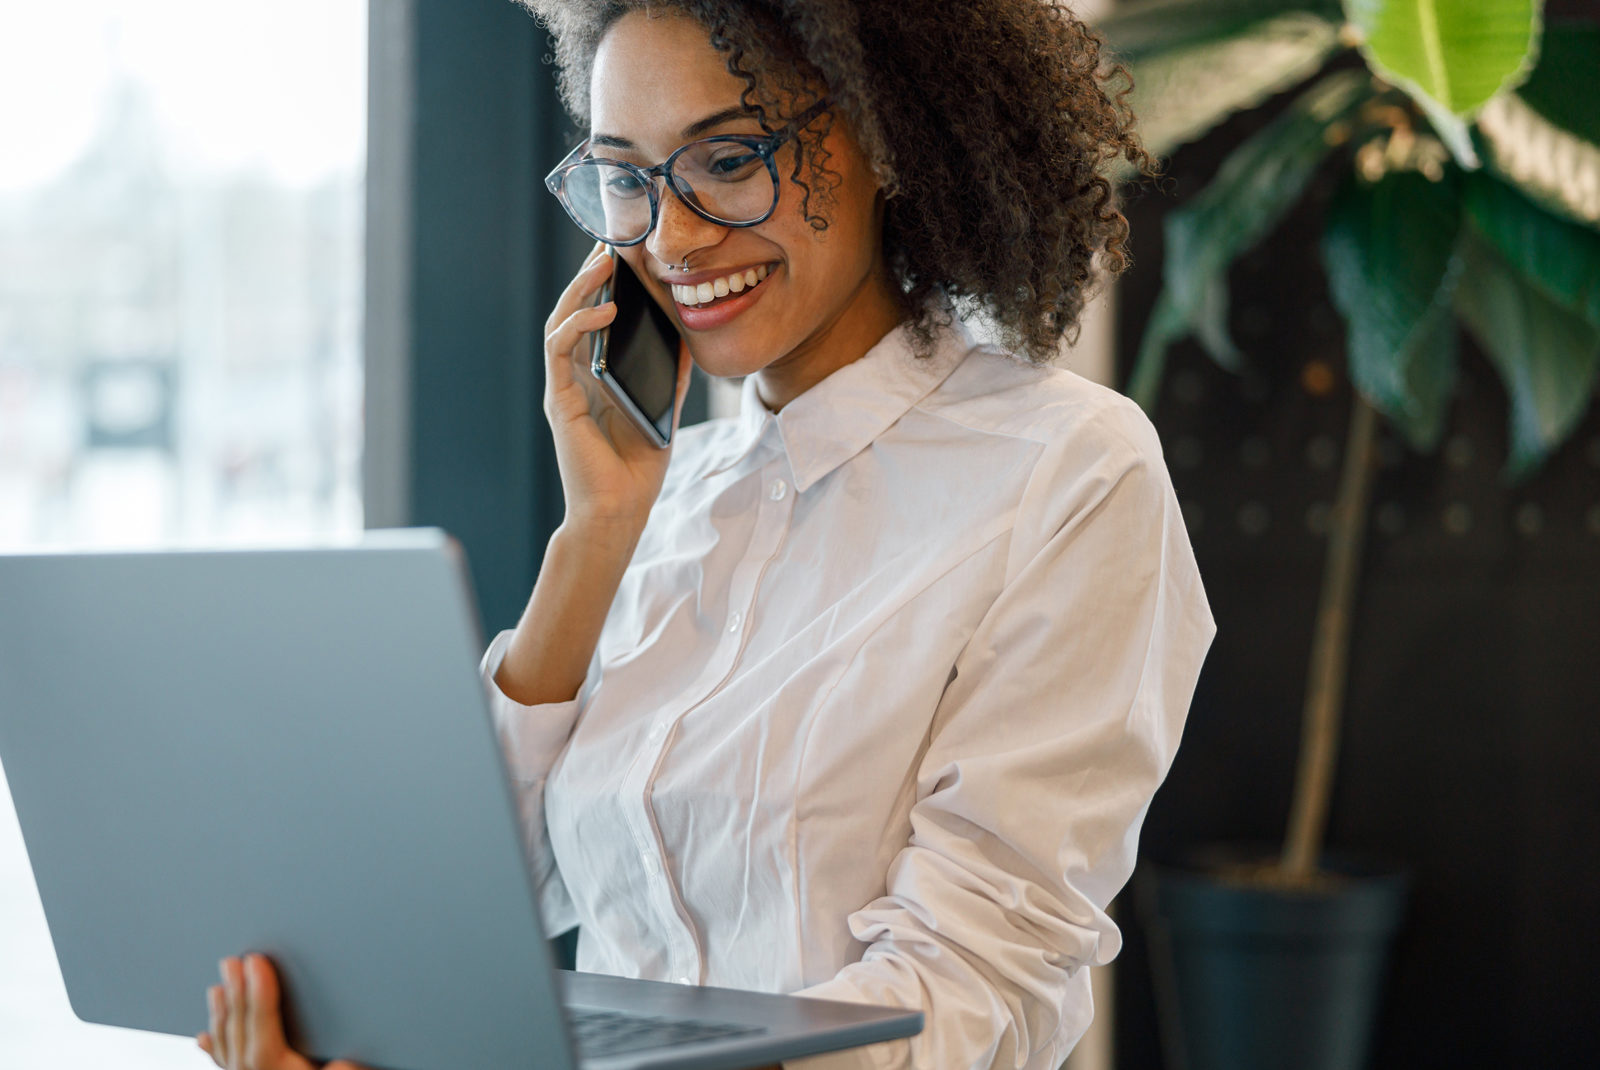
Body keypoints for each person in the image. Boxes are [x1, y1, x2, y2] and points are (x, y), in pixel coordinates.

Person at [197, 2, 1215, 1068]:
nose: (671, 238)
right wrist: (591, 536)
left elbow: (970, 984)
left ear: (884, 136)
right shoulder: (667, 500)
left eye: (728, 159)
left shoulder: (1065, 468)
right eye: (626, 178)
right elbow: (480, 902)